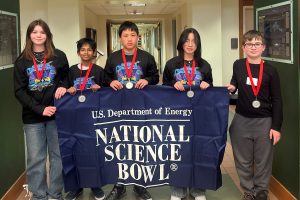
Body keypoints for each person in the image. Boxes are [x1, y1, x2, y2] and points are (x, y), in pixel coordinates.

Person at [13, 19, 69, 200]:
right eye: (35, 32)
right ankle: (38, 196)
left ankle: (55, 194)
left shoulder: (59, 56)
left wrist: (64, 86)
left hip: (56, 115)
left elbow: (66, 79)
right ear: (29, 35)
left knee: (57, 157)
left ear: (48, 35)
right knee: (36, 160)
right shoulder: (22, 61)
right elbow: (19, 91)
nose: (38, 35)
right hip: (32, 117)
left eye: (42, 32)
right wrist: (40, 109)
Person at [104, 21, 159, 200]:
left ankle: (139, 186)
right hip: (118, 110)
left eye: (133, 35)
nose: (129, 39)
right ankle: (119, 185)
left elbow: (155, 76)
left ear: (138, 37)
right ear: (120, 38)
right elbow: (106, 77)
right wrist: (110, 82)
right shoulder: (113, 58)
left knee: (140, 146)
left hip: (140, 109)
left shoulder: (147, 57)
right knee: (119, 147)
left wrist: (148, 80)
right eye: (125, 35)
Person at [227, 30, 283, 200]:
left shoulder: (271, 71)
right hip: (241, 120)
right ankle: (249, 191)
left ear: (263, 47)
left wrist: (276, 127)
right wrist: (232, 87)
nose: (253, 47)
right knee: (242, 160)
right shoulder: (238, 64)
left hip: (264, 121)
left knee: (262, 161)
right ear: (244, 47)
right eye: (249, 44)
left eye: (257, 44)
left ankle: (261, 192)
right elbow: (236, 80)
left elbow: (278, 100)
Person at [163, 28, 212, 200]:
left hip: (199, 115)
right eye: (187, 40)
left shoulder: (205, 65)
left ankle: (198, 190)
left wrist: (207, 85)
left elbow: (210, 88)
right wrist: (171, 85)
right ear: (181, 43)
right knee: (178, 152)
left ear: (197, 44)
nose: (190, 44)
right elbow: (164, 88)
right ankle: (178, 190)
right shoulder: (171, 64)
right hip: (177, 116)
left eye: (194, 41)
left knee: (199, 151)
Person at [58, 38, 106, 200]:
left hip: (92, 118)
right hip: (74, 118)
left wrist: (100, 89)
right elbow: (63, 88)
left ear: (93, 53)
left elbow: (108, 92)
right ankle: (75, 187)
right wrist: (67, 88)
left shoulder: (99, 70)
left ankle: (95, 185)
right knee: (74, 152)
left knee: (93, 152)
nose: (86, 53)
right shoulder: (71, 71)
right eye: (83, 49)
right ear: (78, 52)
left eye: (89, 50)